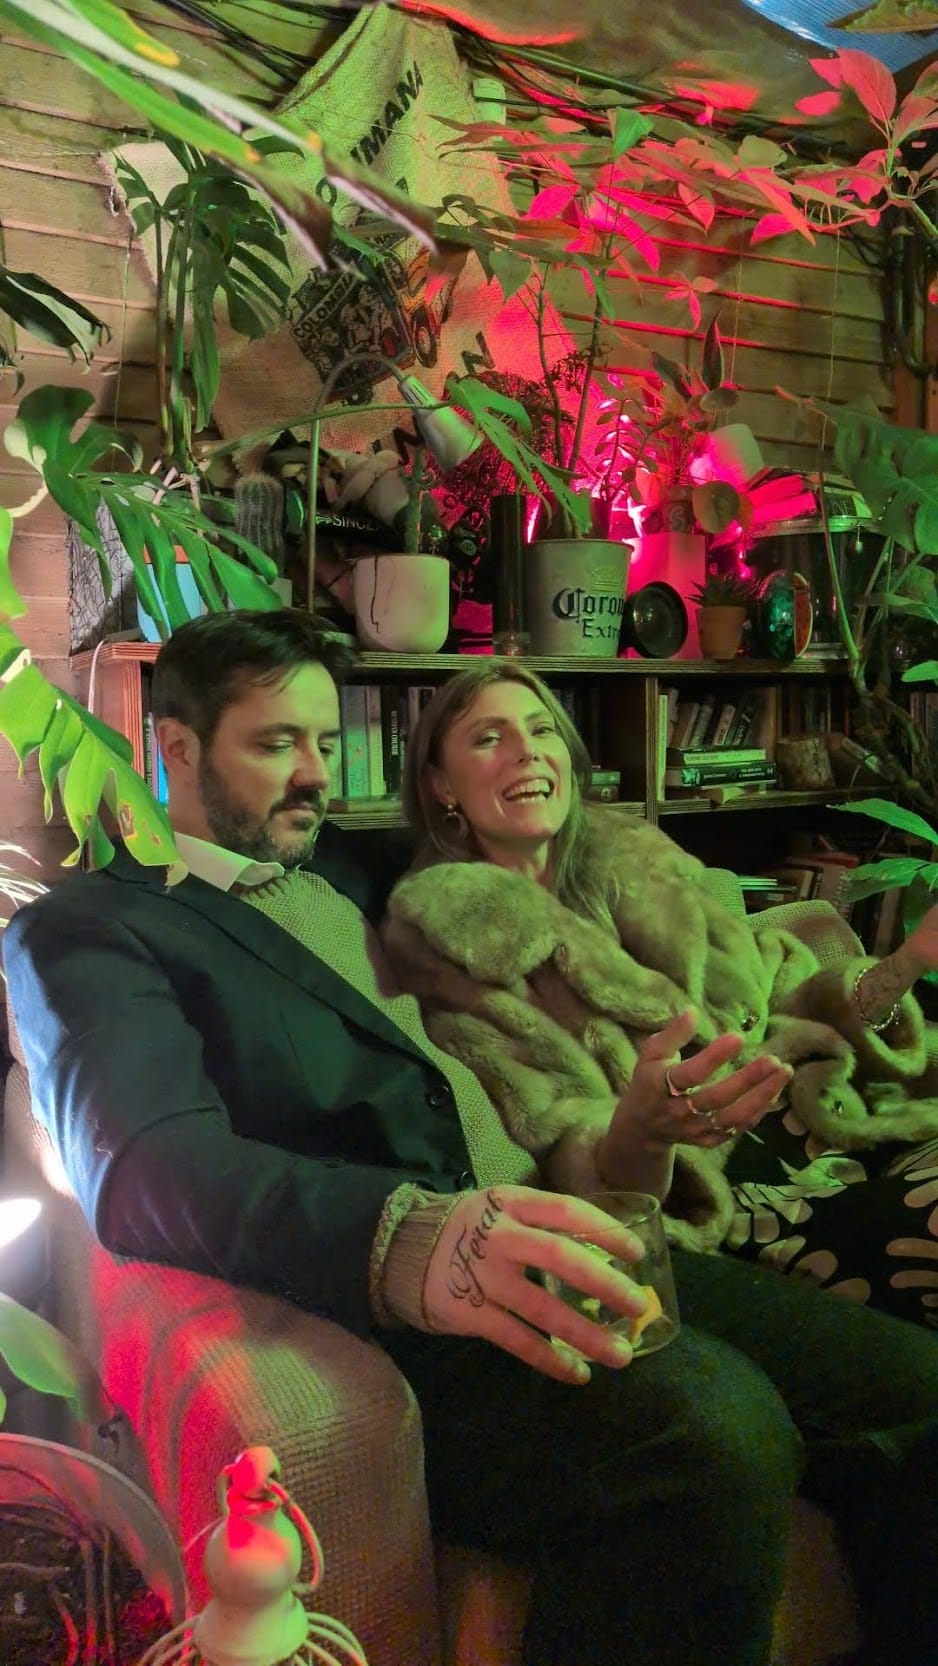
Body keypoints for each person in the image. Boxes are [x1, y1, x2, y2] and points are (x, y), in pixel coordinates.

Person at [5, 609, 938, 1666]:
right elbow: (140, 1168)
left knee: (915, 1387)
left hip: (570, 1227)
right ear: (175, 747)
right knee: (716, 1434)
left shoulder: (351, 870)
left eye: (326, 741)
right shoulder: (90, 928)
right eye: (275, 744)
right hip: (408, 1306)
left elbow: (524, 853)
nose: (314, 775)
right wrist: (414, 1238)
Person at [382, 658, 938, 1329]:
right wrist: (645, 1130)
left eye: (542, 729)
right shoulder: (450, 944)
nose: (527, 750)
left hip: (832, 1117)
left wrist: (904, 966)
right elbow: (560, 1140)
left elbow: (776, 997)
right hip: (728, 1195)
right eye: (489, 738)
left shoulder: (638, 858)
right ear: (440, 784)